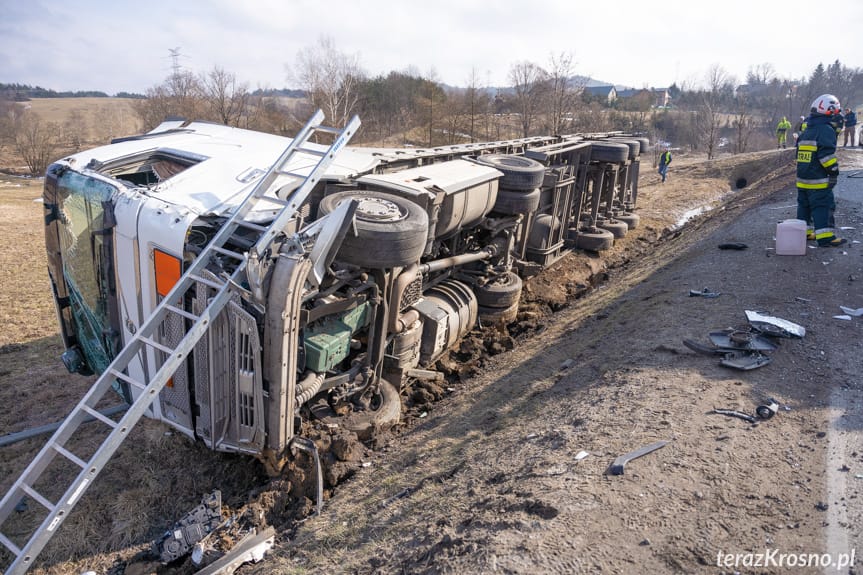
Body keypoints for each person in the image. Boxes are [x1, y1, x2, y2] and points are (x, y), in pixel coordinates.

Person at [796, 94, 847, 247]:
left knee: (804, 206)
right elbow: (826, 155)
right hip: (818, 180)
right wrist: (833, 171)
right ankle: (825, 238)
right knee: (823, 206)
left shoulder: (807, 128)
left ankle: (804, 232)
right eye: (836, 113)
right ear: (830, 111)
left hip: (803, 179)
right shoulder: (825, 129)